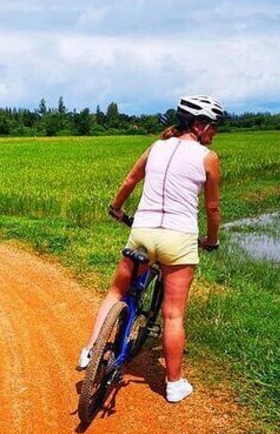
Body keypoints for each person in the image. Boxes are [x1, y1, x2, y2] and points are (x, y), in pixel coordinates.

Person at [77, 95, 224, 403]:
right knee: (173, 314)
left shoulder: (156, 147)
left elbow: (130, 180)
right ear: (199, 125)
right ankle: (173, 384)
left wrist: (116, 208)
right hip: (179, 239)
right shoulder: (207, 157)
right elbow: (212, 207)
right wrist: (212, 239)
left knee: (117, 292)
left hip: (142, 232)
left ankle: (90, 351)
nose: (214, 133)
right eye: (213, 127)